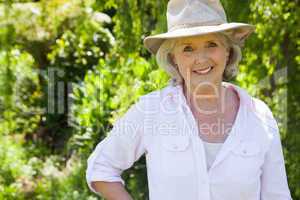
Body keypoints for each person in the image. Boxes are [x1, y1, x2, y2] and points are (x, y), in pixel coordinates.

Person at [86, 0, 292, 199]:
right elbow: (101, 169)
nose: (201, 59)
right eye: (188, 48)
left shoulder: (259, 115)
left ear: (228, 51)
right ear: (173, 58)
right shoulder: (151, 110)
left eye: (211, 44)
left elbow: (277, 195)